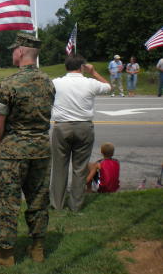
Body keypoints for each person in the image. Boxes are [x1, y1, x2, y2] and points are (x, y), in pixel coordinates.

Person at [0, 33, 55, 266]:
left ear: (21, 51)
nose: (12, 52)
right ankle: (38, 249)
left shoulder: (9, 84)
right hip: (42, 149)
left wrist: (2, 139)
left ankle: (5, 253)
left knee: (8, 201)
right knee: (38, 199)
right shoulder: (48, 82)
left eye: (15, 49)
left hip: (14, 152)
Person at [50, 54, 111, 212]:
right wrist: (94, 72)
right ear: (82, 67)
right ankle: (75, 205)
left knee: (59, 167)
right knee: (80, 168)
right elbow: (108, 86)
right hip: (84, 127)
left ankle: (57, 205)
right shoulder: (90, 83)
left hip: (62, 126)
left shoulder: (56, 83)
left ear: (66, 67)